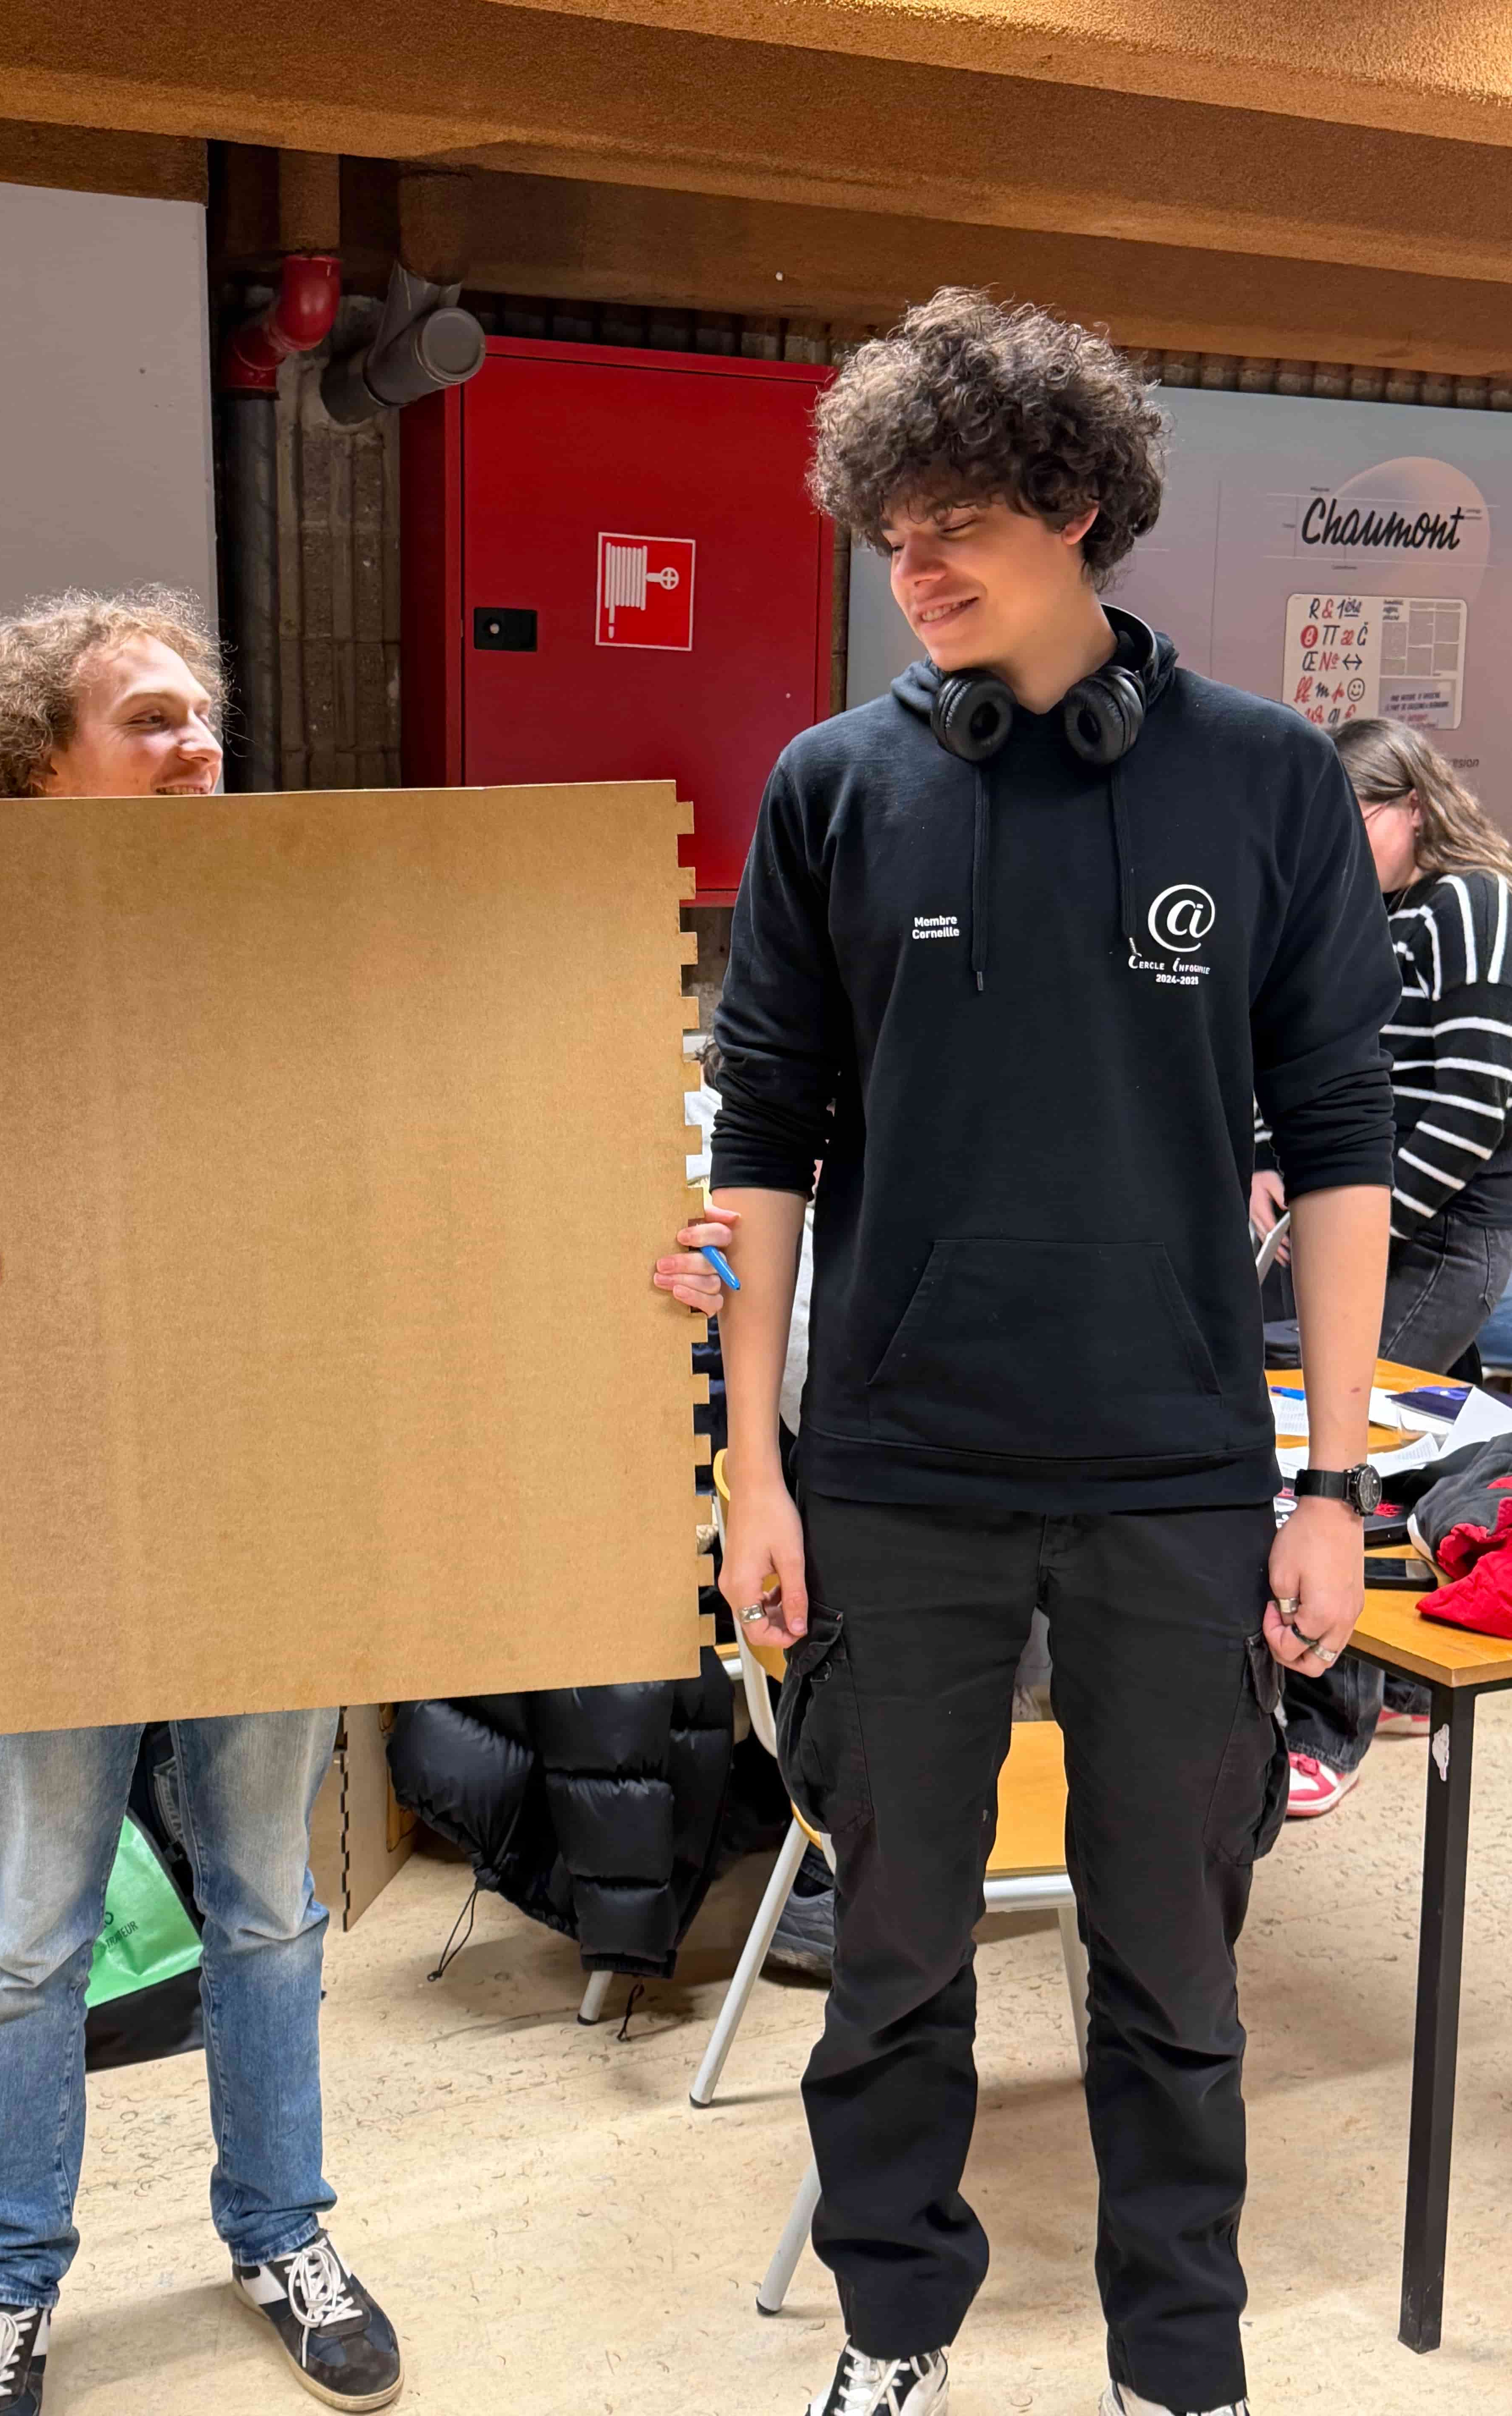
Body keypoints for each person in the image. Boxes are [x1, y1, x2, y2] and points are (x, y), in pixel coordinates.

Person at [655, 290, 1396, 2416]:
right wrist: (754, 1468)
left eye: (961, 519)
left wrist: (1333, 1484)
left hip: (1176, 1475)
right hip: (893, 1478)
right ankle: (896, 2337)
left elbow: (1341, 1144)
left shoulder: (1261, 784)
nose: (920, 568)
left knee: (1175, 1973)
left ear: (1081, 507)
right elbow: (761, 1139)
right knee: (889, 1968)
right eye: (892, 531)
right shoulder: (835, 789)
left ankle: (1185, 2365)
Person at [0, 591, 401, 2416]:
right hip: (62, 1508)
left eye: (204, 719)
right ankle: (5, 2289)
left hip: (267, 1500)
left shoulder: (299, 978)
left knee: (269, 1911)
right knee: (26, 1940)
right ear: (34, 766)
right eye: (150, 720)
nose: (198, 748)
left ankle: (282, 2227)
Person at [1251, 717, 1512, 1814]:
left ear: (1411, 802)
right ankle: (1384, 1686)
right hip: (1348, 1224)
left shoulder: (1467, 903)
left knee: (1334, 1453)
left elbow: (1470, 1101)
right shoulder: (1360, 915)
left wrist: (1355, 1226)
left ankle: (1331, 1729)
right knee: (1306, 1439)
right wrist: (1267, 1165)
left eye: (1351, 818)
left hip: (1440, 1236)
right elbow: (1306, 1063)